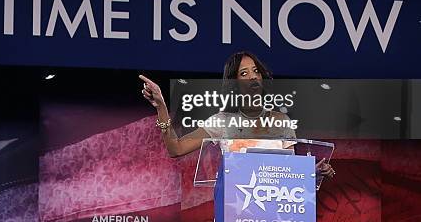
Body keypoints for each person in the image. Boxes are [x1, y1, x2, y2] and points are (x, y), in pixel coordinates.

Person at [140, 51, 335, 178]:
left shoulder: (281, 121)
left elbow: (291, 173)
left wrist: (313, 173)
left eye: (255, 71)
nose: (252, 76)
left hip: (277, 214)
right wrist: (161, 107)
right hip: (235, 214)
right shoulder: (222, 121)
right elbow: (176, 148)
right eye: (243, 73)